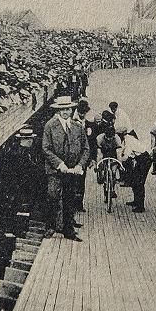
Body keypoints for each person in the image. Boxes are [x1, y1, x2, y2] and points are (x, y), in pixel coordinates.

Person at [42, 95, 90, 241]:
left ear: (71, 109)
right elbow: (46, 148)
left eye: (68, 109)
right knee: (53, 196)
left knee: (70, 198)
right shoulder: (50, 126)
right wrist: (59, 164)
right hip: (55, 170)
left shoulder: (77, 127)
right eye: (62, 109)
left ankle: (68, 229)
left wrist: (80, 165)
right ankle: (51, 227)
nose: (65, 112)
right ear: (58, 110)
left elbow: (86, 149)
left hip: (72, 170)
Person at [121, 132, 152, 212]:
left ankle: (140, 206)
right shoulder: (129, 138)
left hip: (144, 159)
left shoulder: (128, 141)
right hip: (140, 158)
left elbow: (125, 157)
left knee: (139, 182)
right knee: (134, 180)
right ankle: (136, 201)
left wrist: (118, 160)